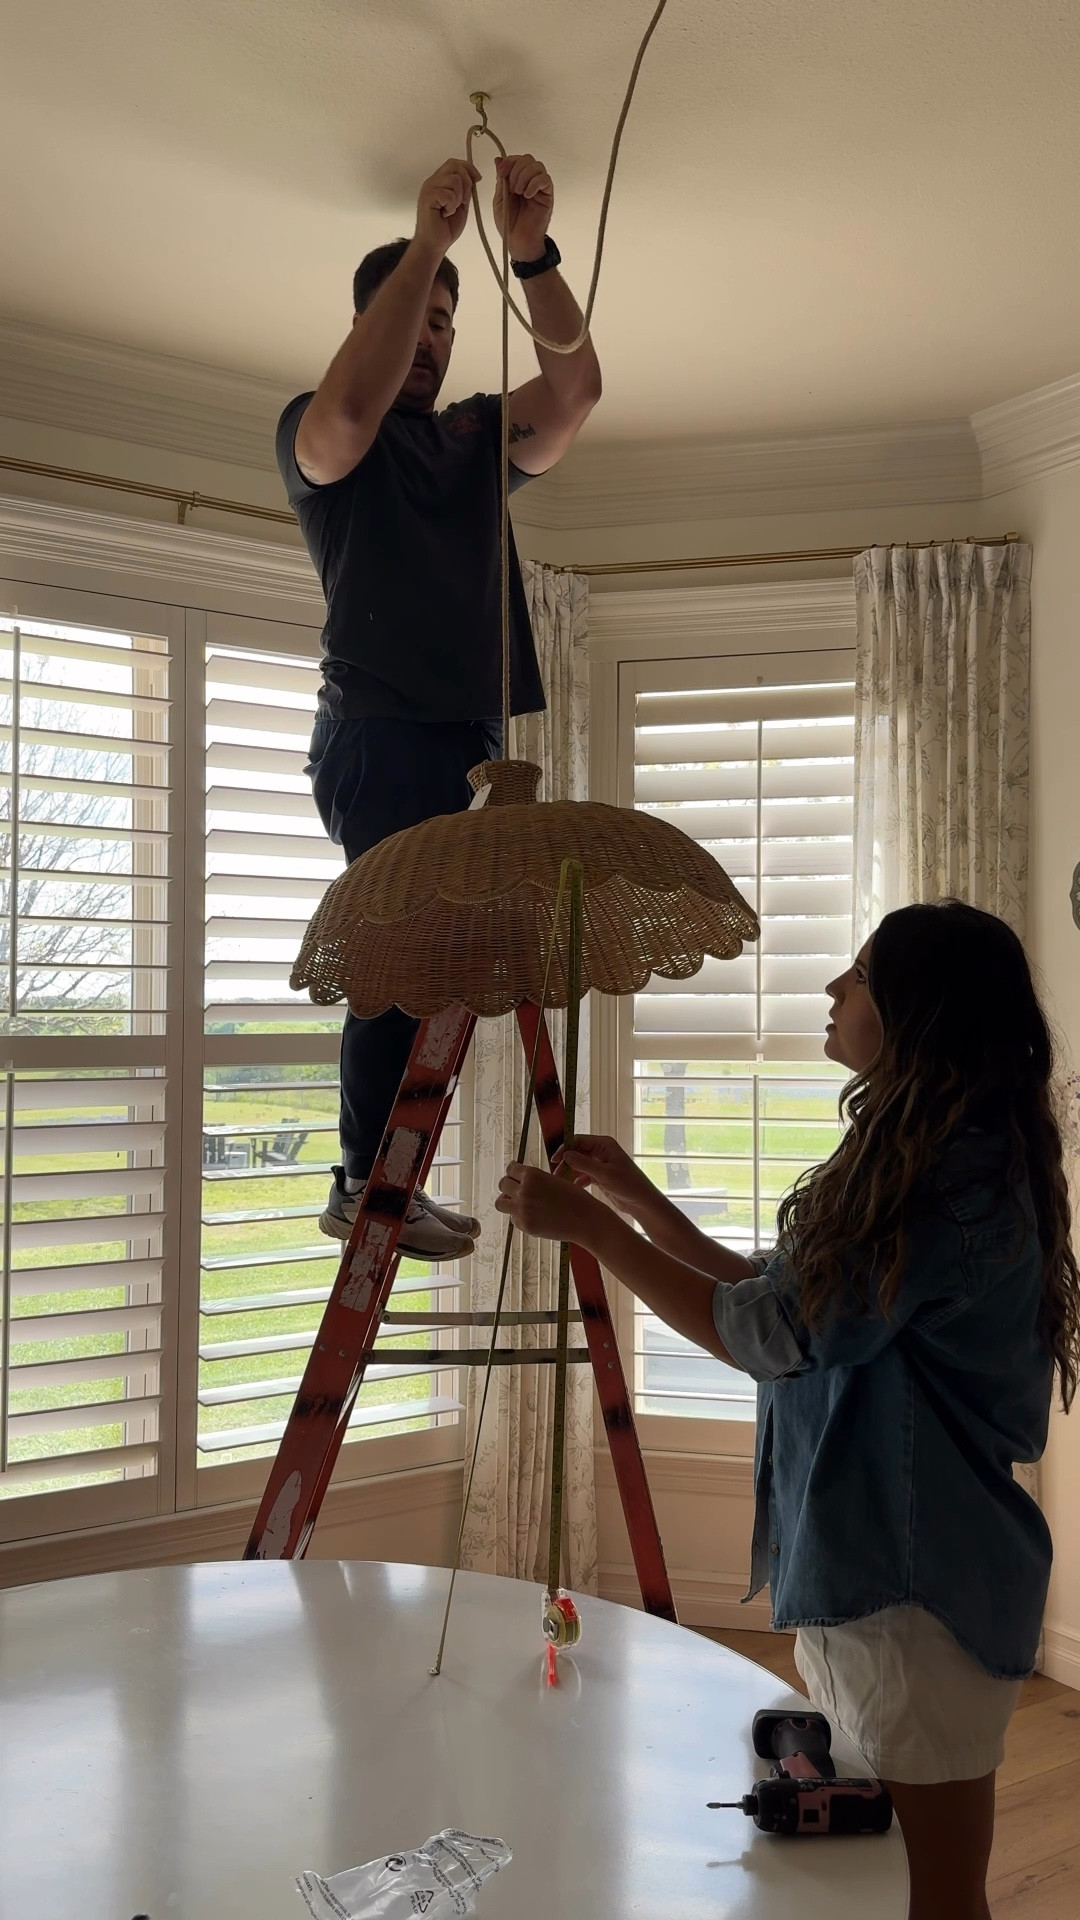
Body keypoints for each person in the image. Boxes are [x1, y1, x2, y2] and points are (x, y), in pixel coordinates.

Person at [497, 901, 1080, 1920]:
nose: (832, 991)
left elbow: (758, 1337)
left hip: (918, 1603)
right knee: (880, 1883)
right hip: (878, 1584)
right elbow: (785, 1309)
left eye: (856, 976)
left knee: (939, 1899)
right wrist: (639, 1204)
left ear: (916, 1012)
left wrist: (591, 1230)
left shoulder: (951, 1190)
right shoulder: (930, 1161)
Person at [276, 153, 601, 1258]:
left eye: (447, 322)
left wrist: (528, 253)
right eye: (415, 317)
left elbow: (573, 396)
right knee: (405, 945)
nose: (434, 337)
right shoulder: (319, 431)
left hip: (468, 740)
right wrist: (427, 247)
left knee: (442, 954)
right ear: (371, 319)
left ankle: (382, 1176)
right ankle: (366, 1178)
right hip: (378, 733)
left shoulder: (470, 443)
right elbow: (349, 409)